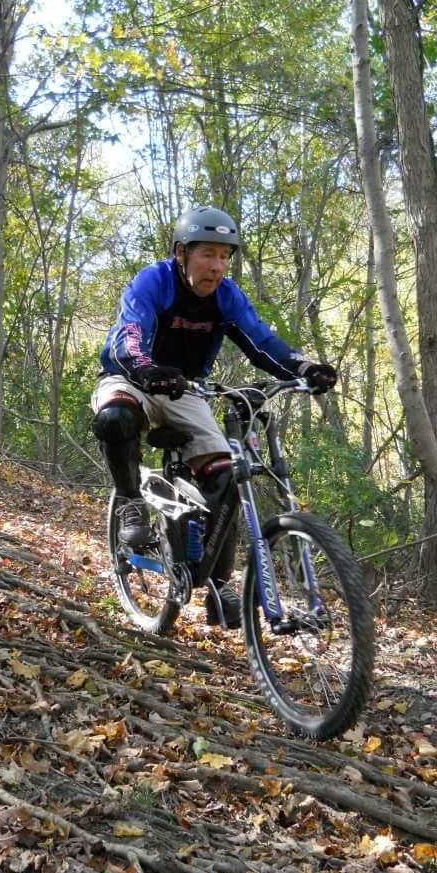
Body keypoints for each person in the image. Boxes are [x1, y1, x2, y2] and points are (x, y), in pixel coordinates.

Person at [91, 205, 337, 629]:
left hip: (187, 389)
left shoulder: (227, 298)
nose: (218, 266)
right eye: (208, 254)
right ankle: (131, 502)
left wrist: (303, 368)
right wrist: (145, 367)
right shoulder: (155, 281)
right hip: (132, 377)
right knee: (115, 418)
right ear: (181, 253)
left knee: (227, 475)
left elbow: (262, 342)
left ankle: (217, 582)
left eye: (225, 256)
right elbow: (127, 334)